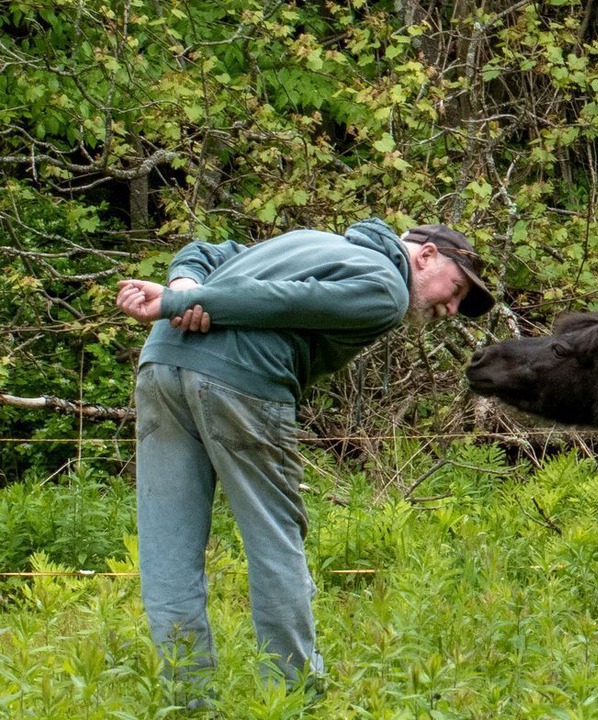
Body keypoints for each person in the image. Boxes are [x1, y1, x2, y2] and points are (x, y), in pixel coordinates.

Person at [115, 218, 494, 703]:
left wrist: (185, 282)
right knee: (275, 542)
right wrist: (180, 300)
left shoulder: (309, 240)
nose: (452, 307)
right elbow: (285, 302)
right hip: (240, 380)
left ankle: (186, 702)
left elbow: (209, 249)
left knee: (167, 544)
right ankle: (295, 699)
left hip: (161, 363)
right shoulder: (386, 290)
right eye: (456, 288)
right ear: (424, 256)